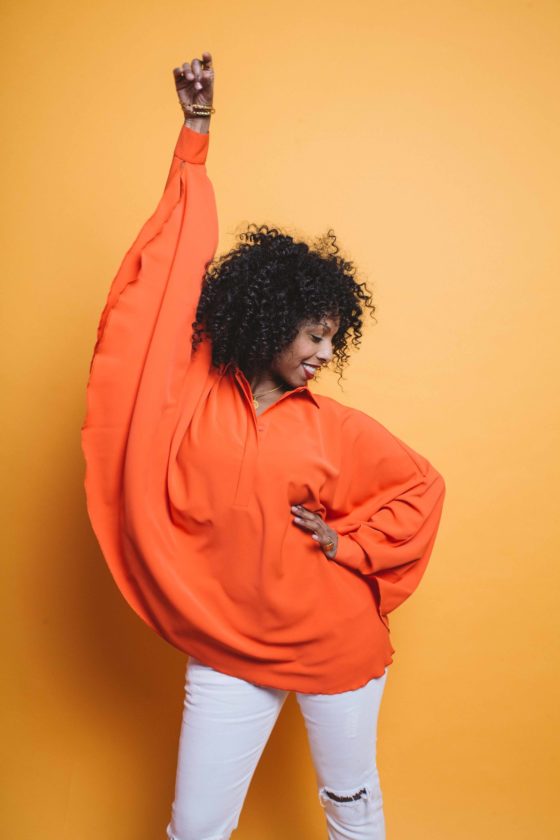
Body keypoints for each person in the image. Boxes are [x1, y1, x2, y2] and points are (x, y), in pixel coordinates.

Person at [80, 50, 446, 840]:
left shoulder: (335, 428)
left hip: (333, 643)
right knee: (196, 828)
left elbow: (423, 487)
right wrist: (195, 133)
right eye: (313, 335)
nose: (323, 353)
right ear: (271, 320)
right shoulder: (194, 387)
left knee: (350, 809)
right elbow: (173, 272)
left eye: (333, 339)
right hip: (226, 646)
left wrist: (348, 546)